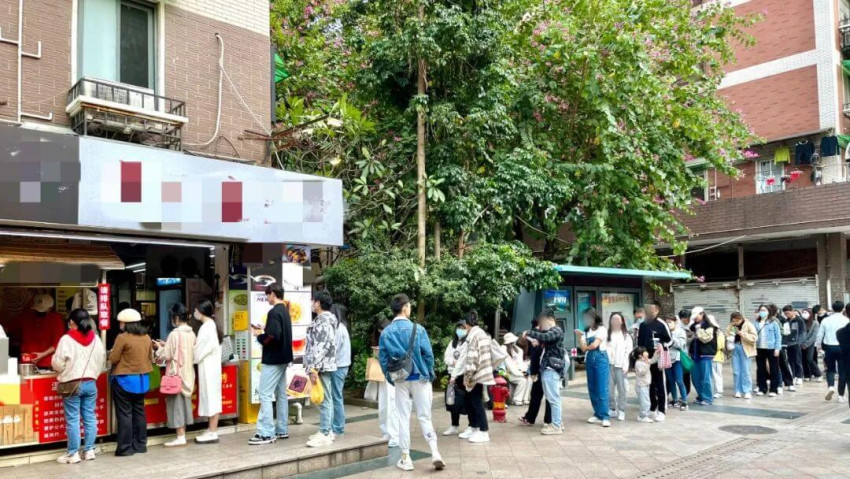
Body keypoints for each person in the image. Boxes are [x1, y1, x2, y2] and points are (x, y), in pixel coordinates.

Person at [378, 294, 445, 472]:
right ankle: (435, 452)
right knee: (424, 416)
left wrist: (391, 379)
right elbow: (428, 355)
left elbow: (383, 360)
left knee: (402, 418)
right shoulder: (418, 329)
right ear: (406, 308)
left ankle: (406, 458)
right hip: (420, 378)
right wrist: (428, 373)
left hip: (400, 380)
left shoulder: (386, 333)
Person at [53, 309, 106, 464]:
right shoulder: (96, 338)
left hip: (71, 383)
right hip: (91, 383)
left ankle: (73, 454)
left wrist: (62, 368)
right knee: (90, 416)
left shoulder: (66, 339)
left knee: (73, 418)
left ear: (71, 322)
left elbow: (57, 363)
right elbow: (102, 359)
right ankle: (89, 450)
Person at [248, 286, 293, 445]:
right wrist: (264, 331)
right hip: (284, 358)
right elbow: (278, 334)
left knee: (265, 394)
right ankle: (282, 429)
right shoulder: (285, 310)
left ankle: (266, 432)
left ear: (273, 294)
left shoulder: (274, 312)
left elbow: (273, 337)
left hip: (273, 359)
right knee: (281, 394)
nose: (267, 298)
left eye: (267, 295)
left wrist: (260, 335)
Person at [151, 303, 197, 448]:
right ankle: (182, 434)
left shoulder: (174, 334)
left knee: (176, 405)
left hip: (175, 374)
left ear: (176, 318)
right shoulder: (191, 333)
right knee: (184, 404)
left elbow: (167, 354)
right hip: (188, 373)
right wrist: (167, 345)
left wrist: (159, 348)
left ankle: (180, 436)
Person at [109, 308, 152, 456]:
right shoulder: (146, 337)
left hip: (124, 380)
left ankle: (125, 448)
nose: (120, 324)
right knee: (139, 413)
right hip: (142, 380)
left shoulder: (122, 338)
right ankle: (140, 445)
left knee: (125, 414)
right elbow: (150, 357)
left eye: (121, 322)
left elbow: (113, 358)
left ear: (125, 323)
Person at [304, 290, 338, 448]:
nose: (312, 302)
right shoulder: (326, 320)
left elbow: (321, 347)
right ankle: (327, 430)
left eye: (313, 300)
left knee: (324, 399)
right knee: (326, 398)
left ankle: (325, 432)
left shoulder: (323, 322)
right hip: (324, 365)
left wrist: (313, 368)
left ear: (318, 303)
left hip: (321, 366)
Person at [524, 309, 567, 435]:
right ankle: (556, 422)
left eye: (542, 322)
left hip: (551, 369)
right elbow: (545, 339)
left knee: (553, 399)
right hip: (548, 369)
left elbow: (545, 336)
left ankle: (556, 425)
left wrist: (529, 332)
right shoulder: (552, 332)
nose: (541, 326)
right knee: (552, 398)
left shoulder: (556, 330)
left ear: (549, 319)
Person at [457, 310, 494, 443]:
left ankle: (483, 431)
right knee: (471, 401)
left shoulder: (473, 336)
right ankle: (474, 427)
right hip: (482, 372)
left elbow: (472, 359)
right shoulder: (481, 333)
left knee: (476, 402)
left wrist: (467, 377)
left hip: (476, 374)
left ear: (467, 324)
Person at [193, 299, 222, 444]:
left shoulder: (207, 327)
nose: (194, 313)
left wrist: (190, 356)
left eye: (196, 310)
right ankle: (211, 430)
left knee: (211, 398)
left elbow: (199, 351)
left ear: (201, 311)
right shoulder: (210, 325)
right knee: (212, 397)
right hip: (211, 367)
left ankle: (213, 431)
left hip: (209, 368)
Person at [575, 308, 610, 427]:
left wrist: (586, 345)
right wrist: (580, 337)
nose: (586, 320)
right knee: (592, 388)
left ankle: (605, 416)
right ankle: (597, 413)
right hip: (590, 359)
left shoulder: (602, 329)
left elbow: (595, 345)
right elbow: (583, 348)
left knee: (602, 388)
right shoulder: (586, 331)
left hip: (600, 358)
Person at [636, 301, 670, 421]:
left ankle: (662, 410)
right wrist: (641, 354)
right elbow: (639, 343)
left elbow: (669, 340)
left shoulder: (661, 324)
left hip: (657, 357)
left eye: (652, 309)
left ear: (657, 311)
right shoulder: (643, 324)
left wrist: (660, 346)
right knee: (648, 383)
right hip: (645, 358)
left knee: (659, 383)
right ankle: (652, 406)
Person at [518, 318, 551, 427]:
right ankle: (539, 419)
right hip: (543, 368)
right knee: (541, 394)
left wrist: (533, 371)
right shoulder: (544, 334)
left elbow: (536, 355)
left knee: (545, 395)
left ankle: (546, 420)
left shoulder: (542, 335)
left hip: (546, 369)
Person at [816, 300, 849, 401]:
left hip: (829, 347)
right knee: (843, 371)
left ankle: (831, 386)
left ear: (832, 309)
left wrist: (818, 346)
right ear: (843, 309)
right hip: (842, 347)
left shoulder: (826, 320)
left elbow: (820, 334)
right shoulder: (846, 320)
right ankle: (841, 395)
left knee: (830, 369)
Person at [374, 320, 400, 447]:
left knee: (392, 405)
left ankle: (394, 436)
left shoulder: (396, 338)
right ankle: (386, 433)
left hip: (394, 375)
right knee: (384, 406)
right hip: (385, 375)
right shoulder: (385, 338)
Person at [443, 319, 469, 436]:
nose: (461, 330)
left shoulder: (467, 343)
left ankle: (471, 425)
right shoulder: (452, 343)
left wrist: (456, 363)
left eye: (463, 328)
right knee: (452, 400)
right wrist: (453, 362)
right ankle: (454, 425)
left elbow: (464, 360)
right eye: (459, 328)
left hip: (462, 375)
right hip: (452, 375)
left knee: (466, 401)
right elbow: (446, 357)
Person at [329, 303, 351, 438]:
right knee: (337, 396)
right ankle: (337, 426)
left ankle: (337, 427)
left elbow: (334, 350)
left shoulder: (338, 329)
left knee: (336, 397)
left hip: (338, 367)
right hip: (343, 366)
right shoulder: (343, 327)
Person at [606, 312, 632, 421]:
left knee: (622, 390)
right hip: (609, 364)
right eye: (613, 319)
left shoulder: (626, 336)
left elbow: (628, 352)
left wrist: (626, 365)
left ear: (622, 321)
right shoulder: (607, 334)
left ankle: (621, 410)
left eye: (617, 319)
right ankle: (612, 409)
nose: (615, 321)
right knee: (609, 389)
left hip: (621, 365)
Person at [690, 310, 719, 406]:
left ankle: (707, 398)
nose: (695, 318)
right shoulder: (694, 326)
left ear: (702, 314)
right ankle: (701, 396)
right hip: (695, 355)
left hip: (705, 355)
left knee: (706, 378)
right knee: (695, 378)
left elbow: (705, 339)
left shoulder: (709, 326)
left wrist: (699, 330)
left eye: (696, 315)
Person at [754, 304, 782, 397]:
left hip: (771, 348)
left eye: (764, 310)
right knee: (761, 369)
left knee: (774, 368)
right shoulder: (756, 323)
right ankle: (762, 388)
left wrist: (777, 348)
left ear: (769, 312)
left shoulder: (773, 322)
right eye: (761, 310)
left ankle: (774, 389)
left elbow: (778, 337)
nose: (762, 312)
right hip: (759, 348)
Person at [727, 311, 757, 399]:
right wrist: (729, 336)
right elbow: (727, 333)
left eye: (737, 320)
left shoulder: (748, 324)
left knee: (746, 371)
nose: (736, 322)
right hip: (734, 348)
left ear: (741, 318)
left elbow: (754, 337)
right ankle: (737, 390)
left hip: (745, 348)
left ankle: (747, 390)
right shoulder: (732, 325)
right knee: (736, 371)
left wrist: (743, 334)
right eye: (733, 320)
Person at [632, 345, 661, 423]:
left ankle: (643, 415)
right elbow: (641, 372)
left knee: (646, 400)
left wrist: (656, 353)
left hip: (645, 384)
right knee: (645, 402)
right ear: (640, 355)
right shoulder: (638, 363)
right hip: (641, 386)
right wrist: (647, 365)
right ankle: (642, 416)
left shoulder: (645, 360)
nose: (646, 352)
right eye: (644, 351)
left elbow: (653, 360)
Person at [665, 315, 688, 410]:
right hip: (667, 359)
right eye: (667, 322)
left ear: (675, 322)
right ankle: (675, 399)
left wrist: (672, 339)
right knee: (671, 381)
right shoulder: (665, 331)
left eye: (670, 322)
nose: (668, 324)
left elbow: (681, 345)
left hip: (677, 358)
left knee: (679, 380)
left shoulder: (680, 331)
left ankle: (684, 401)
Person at [502, 332, 531, 406]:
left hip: (517, 372)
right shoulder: (503, 350)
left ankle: (525, 398)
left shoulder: (516, 349)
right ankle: (516, 399)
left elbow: (520, 364)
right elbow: (511, 367)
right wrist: (522, 374)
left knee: (529, 379)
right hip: (507, 373)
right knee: (522, 380)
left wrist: (525, 373)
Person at [778, 305, 802, 392]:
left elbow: (802, 332)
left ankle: (799, 376)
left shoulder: (799, 320)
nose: (787, 315)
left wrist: (799, 342)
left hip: (796, 343)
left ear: (792, 311)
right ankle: (793, 376)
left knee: (797, 360)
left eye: (788, 313)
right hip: (787, 344)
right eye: (785, 313)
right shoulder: (786, 320)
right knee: (790, 361)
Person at [801, 308, 823, 382]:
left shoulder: (815, 323)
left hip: (810, 344)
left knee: (809, 359)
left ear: (810, 314)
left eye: (806, 312)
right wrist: (801, 343)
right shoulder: (801, 322)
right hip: (800, 344)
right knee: (803, 360)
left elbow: (814, 336)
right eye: (803, 312)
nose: (804, 314)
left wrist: (806, 344)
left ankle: (818, 374)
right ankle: (807, 375)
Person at [678, 309, 694, 397]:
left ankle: (686, 393)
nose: (686, 321)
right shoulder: (677, 327)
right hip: (681, 354)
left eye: (688, 318)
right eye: (684, 319)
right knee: (681, 375)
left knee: (686, 375)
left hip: (690, 354)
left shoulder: (693, 326)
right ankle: (682, 393)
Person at [712, 321, 726, 399]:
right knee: (712, 375)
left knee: (717, 375)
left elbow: (720, 345)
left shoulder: (719, 334)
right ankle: (713, 391)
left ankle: (719, 391)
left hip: (717, 357)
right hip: (710, 357)